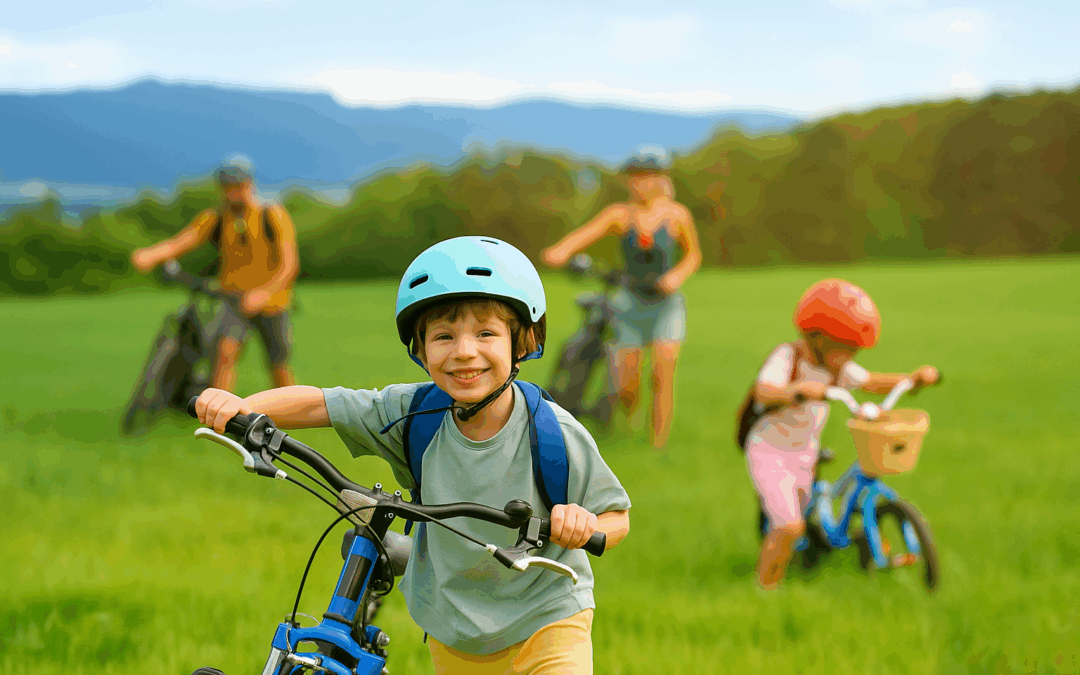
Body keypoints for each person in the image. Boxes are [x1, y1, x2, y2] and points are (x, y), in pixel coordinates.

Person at [194, 236, 631, 674]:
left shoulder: (553, 432)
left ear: (522, 342)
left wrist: (583, 524)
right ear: (420, 349)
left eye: (486, 333)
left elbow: (616, 516)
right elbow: (321, 404)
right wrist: (240, 406)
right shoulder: (414, 414)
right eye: (443, 336)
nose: (464, 351)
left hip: (549, 620)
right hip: (454, 629)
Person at [747, 278, 939, 590]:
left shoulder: (838, 367)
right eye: (846, 348)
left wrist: (912, 380)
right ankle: (765, 589)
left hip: (805, 452)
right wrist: (796, 390)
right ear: (817, 338)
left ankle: (819, 546)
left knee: (804, 514)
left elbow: (871, 382)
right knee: (789, 526)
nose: (851, 357)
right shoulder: (788, 357)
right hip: (771, 452)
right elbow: (763, 390)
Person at [542, 151, 702, 449]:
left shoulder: (677, 215)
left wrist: (676, 276)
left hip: (666, 305)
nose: (638, 183)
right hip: (629, 303)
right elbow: (586, 234)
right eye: (634, 177)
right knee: (627, 384)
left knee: (662, 373)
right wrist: (561, 251)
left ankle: (658, 445)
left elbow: (693, 255)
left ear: (660, 179)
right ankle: (629, 423)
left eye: (645, 176)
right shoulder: (619, 214)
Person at [131, 158, 299, 391]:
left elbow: (289, 264)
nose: (232, 193)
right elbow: (185, 240)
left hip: (273, 303)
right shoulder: (217, 217)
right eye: (227, 188)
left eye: (238, 186)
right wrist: (151, 254)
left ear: (249, 184)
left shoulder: (271, 214)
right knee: (224, 353)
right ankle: (218, 409)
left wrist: (264, 293)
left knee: (278, 365)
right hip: (233, 300)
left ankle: (291, 406)